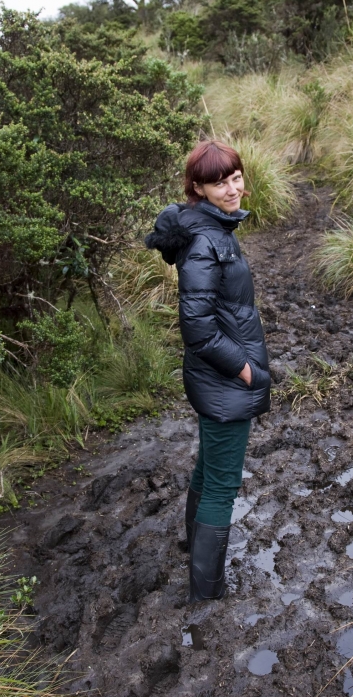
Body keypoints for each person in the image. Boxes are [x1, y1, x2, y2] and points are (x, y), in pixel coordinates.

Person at [145, 140, 271, 602]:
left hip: (214, 379)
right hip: (223, 379)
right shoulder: (204, 242)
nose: (233, 188)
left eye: (236, 177)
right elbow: (196, 329)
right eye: (220, 182)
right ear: (197, 187)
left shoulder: (214, 227)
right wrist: (246, 372)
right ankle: (207, 593)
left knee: (207, 470)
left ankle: (193, 554)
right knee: (222, 483)